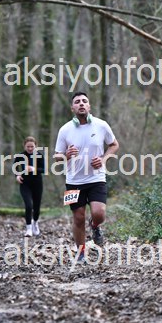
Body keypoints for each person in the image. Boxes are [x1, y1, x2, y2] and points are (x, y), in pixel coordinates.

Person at [54, 92, 119, 261]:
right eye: (77, 102)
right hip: (73, 181)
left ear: (89, 106)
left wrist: (103, 159)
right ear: (72, 108)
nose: (81, 103)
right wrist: (66, 155)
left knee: (99, 213)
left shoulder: (101, 125)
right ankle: (81, 253)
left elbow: (114, 145)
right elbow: (56, 156)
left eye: (84, 101)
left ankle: (95, 226)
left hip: (97, 178)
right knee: (78, 217)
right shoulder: (65, 129)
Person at [14, 136, 45, 237]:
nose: (30, 148)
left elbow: (43, 169)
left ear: (36, 146)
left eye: (32, 146)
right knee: (28, 205)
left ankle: (35, 223)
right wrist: (17, 176)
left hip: (37, 184)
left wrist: (34, 169)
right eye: (28, 146)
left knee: (36, 207)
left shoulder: (39, 156)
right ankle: (28, 229)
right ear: (24, 146)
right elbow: (15, 167)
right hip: (25, 183)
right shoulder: (20, 156)